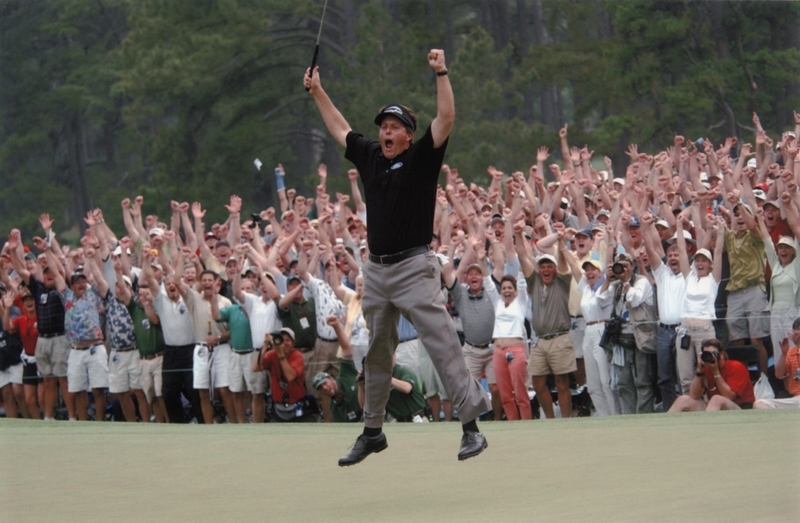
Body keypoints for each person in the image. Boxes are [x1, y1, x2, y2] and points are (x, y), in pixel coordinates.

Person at [304, 48, 490, 465]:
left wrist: (441, 72)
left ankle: (471, 429)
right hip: (377, 270)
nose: (385, 133)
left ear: (408, 134)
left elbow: (446, 119)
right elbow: (340, 128)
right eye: (383, 127)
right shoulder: (370, 157)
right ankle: (372, 431)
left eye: (393, 127)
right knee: (376, 353)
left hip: (414, 267)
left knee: (442, 343)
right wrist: (317, 91)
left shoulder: (421, 159)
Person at [515, 227, 575, 419]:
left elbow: (565, 263)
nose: (546, 269)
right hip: (540, 341)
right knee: (538, 383)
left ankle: (565, 420)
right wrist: (517, 234)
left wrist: (561, 242)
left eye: (550, 266)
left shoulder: (562, 281)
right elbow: (522, 256)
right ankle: (550, 419)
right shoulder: (534, 282)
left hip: (560, 337)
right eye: (543, 266)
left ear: (555, 269)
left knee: (562, 382)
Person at [640, 213, 686, 411]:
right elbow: (650, 249)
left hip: (684, 329)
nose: (674, 258)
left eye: (678, 255)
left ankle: (688, 408)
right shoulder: (662, 273)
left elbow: (684, 251)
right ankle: (670, 410)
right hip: (664, 331)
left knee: (685, 375)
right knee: (664, 376)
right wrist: (644, 227)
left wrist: (681, 226)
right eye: (671, 255)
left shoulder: (689, 274)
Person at [668, 338, 755, 412]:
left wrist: (716, 373)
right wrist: (699, 370)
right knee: (683, 399)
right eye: (706, 354)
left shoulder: (736, 366)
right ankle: (662, 427)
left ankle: (706, 428)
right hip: (714, 408)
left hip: (740, 408)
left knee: (716, 399)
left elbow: (729, 396)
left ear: (721, 354)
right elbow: (694, 395)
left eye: (712, 353)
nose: (710, 357)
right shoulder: (706, 368)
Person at [313, 316, 362, 423]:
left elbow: (347, 348)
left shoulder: (345, 373)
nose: (325, 387)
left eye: (324, 383)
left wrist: (336, 326)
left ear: (331, 378)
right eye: (321, 387)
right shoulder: (334, 409)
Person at [2, 287, 41, 418]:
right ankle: (24, 429)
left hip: (32, 359)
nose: (29, 302)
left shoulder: (39, 317)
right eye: (26, 300)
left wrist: (6, 307)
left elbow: (8, 328)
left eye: (31, 299)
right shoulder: (19, 317)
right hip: (15, 361)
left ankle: (37, 424)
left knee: (33, 396)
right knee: (18, 397)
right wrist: (6, 308)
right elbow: (7, 327)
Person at [260, 327, 310, 422]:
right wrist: (266, 344)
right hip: (277, 407)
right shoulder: (272, 354)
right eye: (282, 339)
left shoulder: (297, 355)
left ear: (293, 343)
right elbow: (257, 367)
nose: (285, 343)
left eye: (288, 340)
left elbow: (290, 377)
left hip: (297, 406)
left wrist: (280, 355)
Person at [754, 318, 800, 409]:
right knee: (759, 404)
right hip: (795, 399)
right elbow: (779, 375)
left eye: (798, 330)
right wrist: (783, 354)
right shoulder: (791, 352)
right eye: (795, 329)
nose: (796, 332)